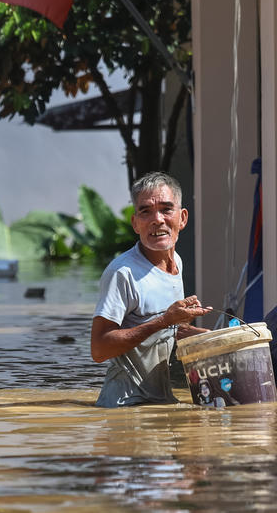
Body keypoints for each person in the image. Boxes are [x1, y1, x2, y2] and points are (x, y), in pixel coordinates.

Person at [90, 171, 212, 407]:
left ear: (182, 218)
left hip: (158, 403)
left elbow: (169, 331)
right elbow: (99, 349)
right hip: (124, 408)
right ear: (135, 223)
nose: (157, 219)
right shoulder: (122, 273)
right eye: (146, 211)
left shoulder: (176, 262)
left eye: (166, 209)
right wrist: (164, 321)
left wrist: (208, 338)